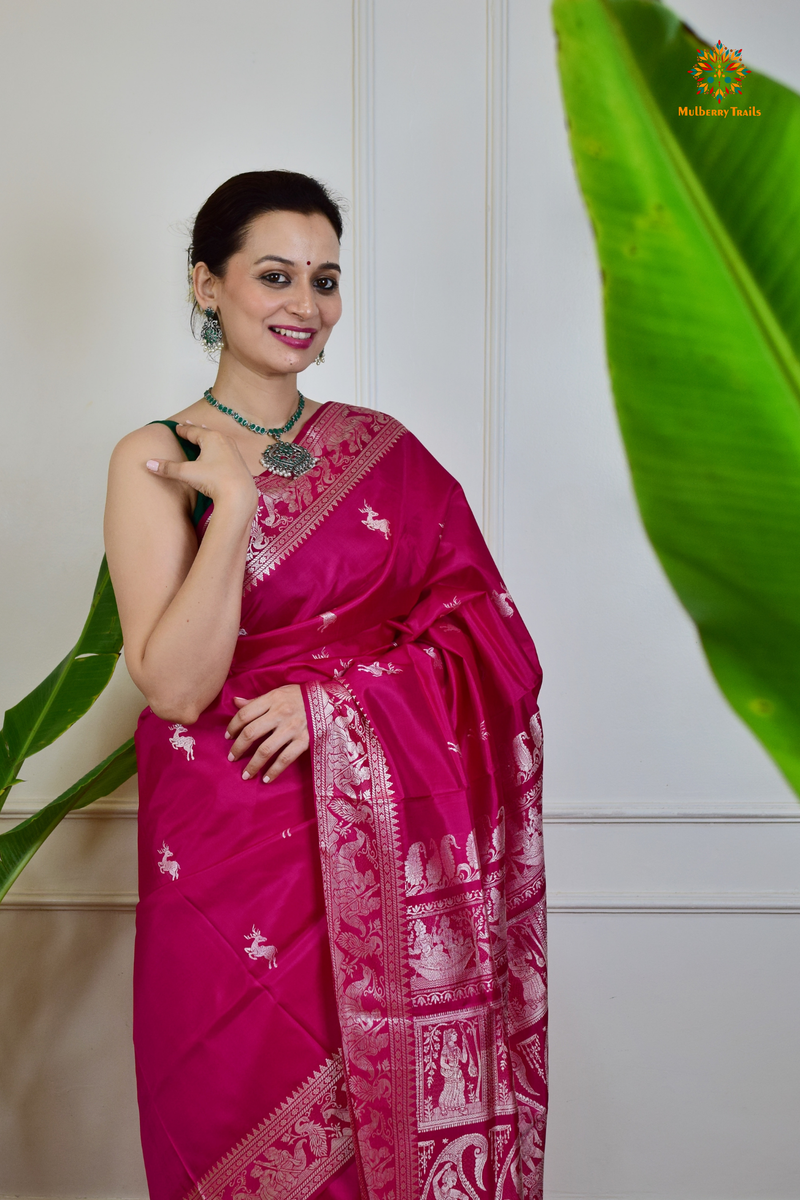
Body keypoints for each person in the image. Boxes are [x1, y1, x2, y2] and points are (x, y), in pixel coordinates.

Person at [104, 170, 548, 1200]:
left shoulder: (387, 452)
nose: (304, 304)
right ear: (206, 285)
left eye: (325, 278)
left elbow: (493, 638)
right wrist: (234, 503)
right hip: (225, 851)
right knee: (226, 1111)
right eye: (274, 275)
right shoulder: (155, 459)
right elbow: (175, 686)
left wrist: (335, 708)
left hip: (379, 841)